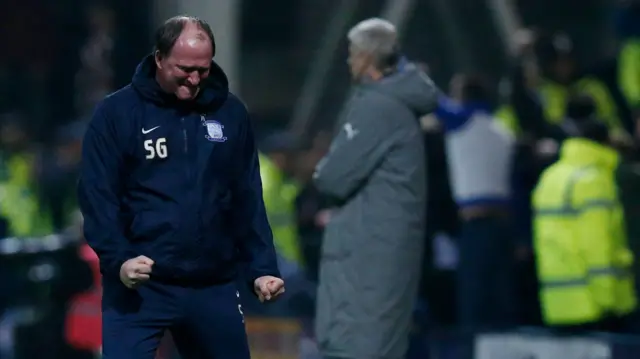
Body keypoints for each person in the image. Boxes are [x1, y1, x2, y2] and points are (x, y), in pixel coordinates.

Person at [77, 16, 284, 359]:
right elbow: (98, 197)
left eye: (202, 69)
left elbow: (246, 196)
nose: (194, 78)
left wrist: (262, 268)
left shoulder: (230, 113)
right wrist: (120, 259)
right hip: (140, 285)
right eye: (184, 68)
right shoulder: (117, 114)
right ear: (159, 58)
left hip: (211, 282)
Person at [312, 18, 438, 359]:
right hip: (379, 251)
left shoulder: (377, 107)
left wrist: (324, 166)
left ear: (367, 58)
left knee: (357, 346)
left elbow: (332, 177)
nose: (349, 61)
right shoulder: (396, 106)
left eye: (352, 54)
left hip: (368, 256)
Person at [532, 118, 637, 332]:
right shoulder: (594, 180)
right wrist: (609, 301)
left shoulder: (550, 176)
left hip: (557, 302)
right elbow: (597, 243)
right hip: (595, 304)